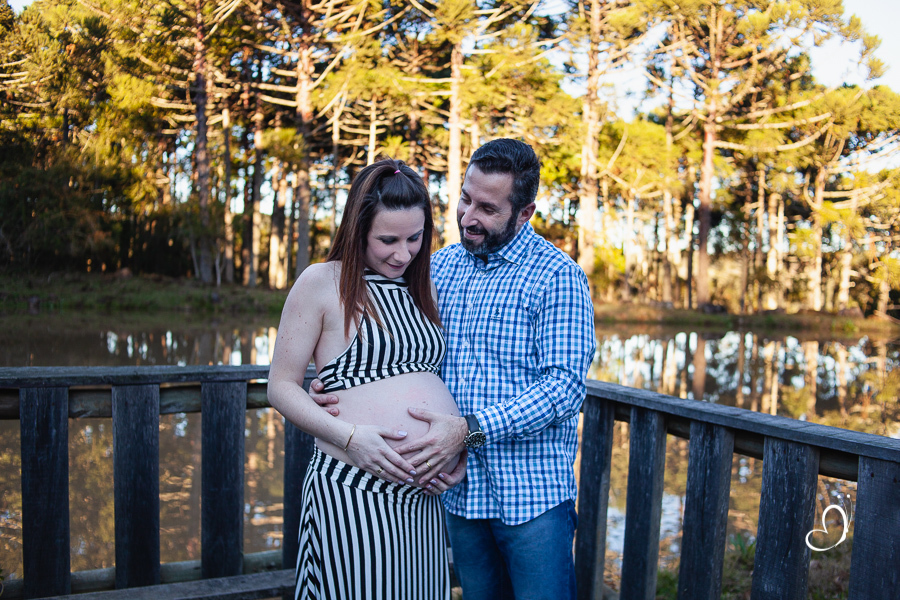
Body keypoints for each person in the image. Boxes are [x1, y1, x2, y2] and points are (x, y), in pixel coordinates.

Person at [312, 139, 597, 599]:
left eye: (487, 208)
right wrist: (334, 387)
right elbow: (389, 347)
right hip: (457, 491)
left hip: (533, 497)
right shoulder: (436, 267)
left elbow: (564, 388)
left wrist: (470, 431)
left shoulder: (557, 275)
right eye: (465, 198)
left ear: (524, 213)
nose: (468, 217)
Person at [267, 158, 466, 600]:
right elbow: (280, 387)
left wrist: (458, 447)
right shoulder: (323, 282)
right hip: (353, 491)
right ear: (358, 230)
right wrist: (352, 436)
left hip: (422, 500)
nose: (403, 253)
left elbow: (434, 388)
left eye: (415, 238)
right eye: (387, 240)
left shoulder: (423, 289)